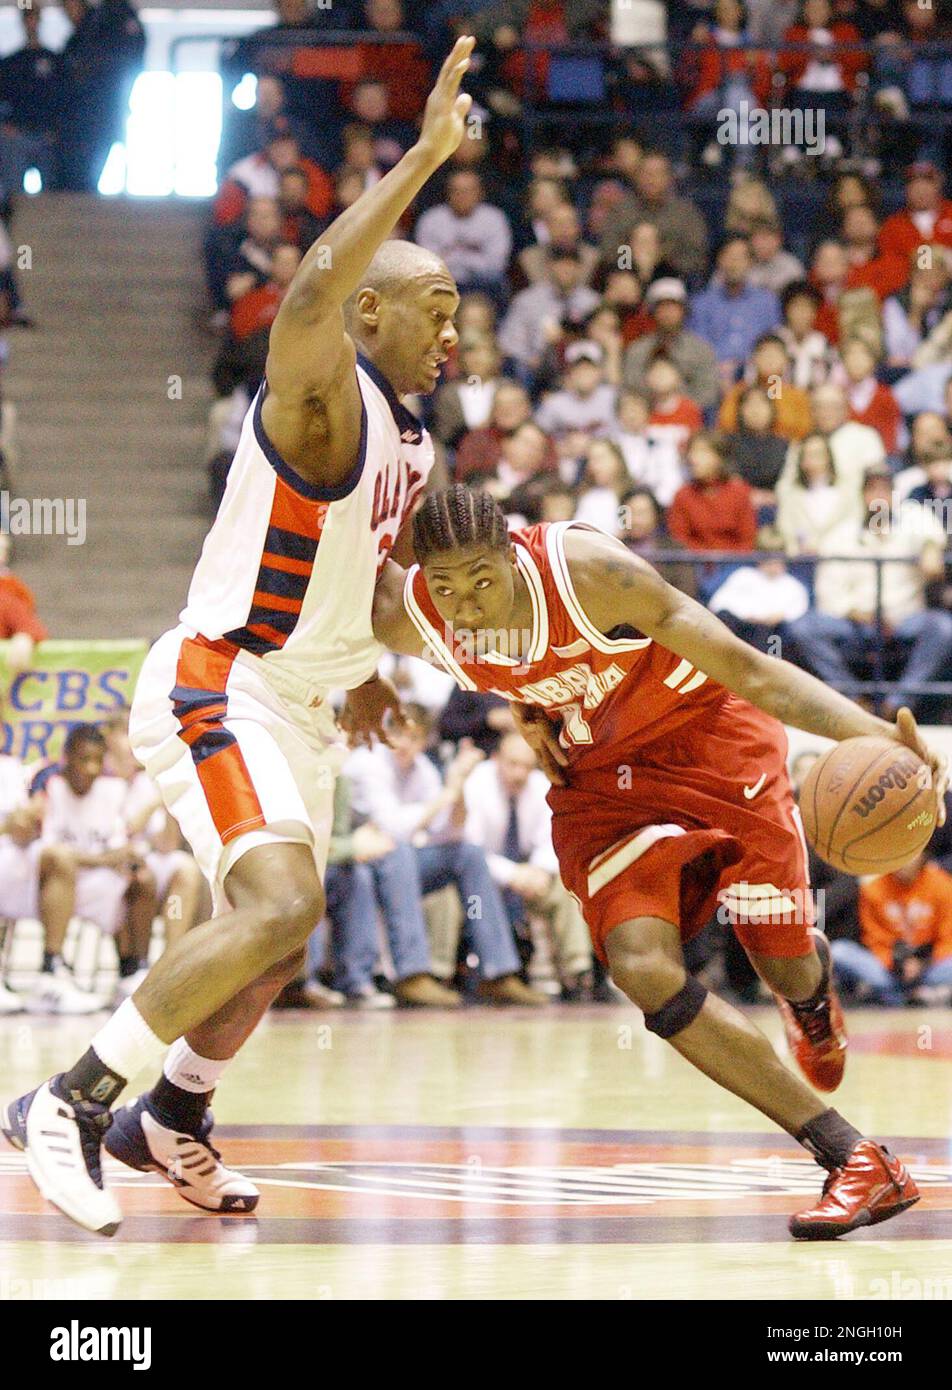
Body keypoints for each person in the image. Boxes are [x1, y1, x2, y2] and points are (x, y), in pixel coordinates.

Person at [1, 36, 479, 1237]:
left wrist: (386, 665)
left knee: (275, 936)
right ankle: (67, 1100)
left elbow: (364, 586)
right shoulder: (326, 390)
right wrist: (421, 158)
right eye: (436, 309)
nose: (452, 335)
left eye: (460, 316)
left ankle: (170, 1118)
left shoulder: (413, 448)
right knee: (272, 904)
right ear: (373, 311)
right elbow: (314, 283)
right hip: (221, 680)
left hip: (304, 704)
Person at [372, 483, 947, 1238]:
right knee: (640, 967)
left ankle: (808, 994)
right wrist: (371, 682)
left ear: (513, 553)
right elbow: (330, 613)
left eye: (483, 580)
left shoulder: (586, 572)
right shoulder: (411, 620)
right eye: (447, 589)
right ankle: (852, 1158)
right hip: (602, 783)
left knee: (779, 959)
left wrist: (874, 737)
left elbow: (753, 670)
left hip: (711, 741)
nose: (468, 605)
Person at [789, 466, 952, 719]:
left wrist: (931, 550)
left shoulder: (913, 519)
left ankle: (896, 705)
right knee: (804, 627)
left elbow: (933, 538)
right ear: (862, 495)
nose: (878, 496)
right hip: (855, 624)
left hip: (904, 622)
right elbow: (828, 594)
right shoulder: (841, 534)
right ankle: (854, 702)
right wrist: (857, 613)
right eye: (872, 489)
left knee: (942, 628)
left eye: (885, 489)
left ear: (894, 494)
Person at [462, 733, 592, 998]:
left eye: (526, 766)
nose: (520, 773)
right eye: (513, 764)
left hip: (530, 878)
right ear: (496, 759)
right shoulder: (476, 784)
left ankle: (579, 973)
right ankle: (493, 975)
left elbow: (552, 841)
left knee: (566, 889)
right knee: (475, 885)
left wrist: (539, 871)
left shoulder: (540, 786)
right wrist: (512, 874)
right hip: (483, 879)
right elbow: (469, 850)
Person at [833, 855, 952, 1006]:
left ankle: (894, 996)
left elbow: (948, 939)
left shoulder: (943, 884)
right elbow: (873, 939)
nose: (905, 863)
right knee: (839, 951)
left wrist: (922, 962)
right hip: (889, 969)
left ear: (922, 855)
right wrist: (896, 963)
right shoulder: (872, 888)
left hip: (930, 966)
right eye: (899, 856)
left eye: (910, 855)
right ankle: (917, 995)